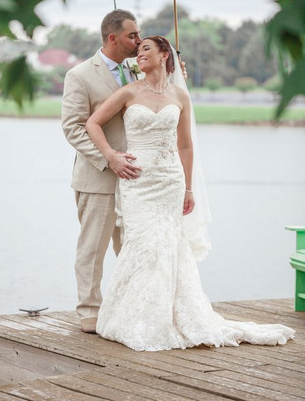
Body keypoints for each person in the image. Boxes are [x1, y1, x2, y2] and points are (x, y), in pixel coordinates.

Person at [85, 36, 295, 351]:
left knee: (168, 245)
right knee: (143, 243)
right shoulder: (128, 92)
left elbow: (185, 144)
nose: (139, 54)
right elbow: (93, 123)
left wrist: (187, 187)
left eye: (146, 49)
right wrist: (112, 156)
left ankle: (165, 316)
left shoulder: (180, 96)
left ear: (164, 54)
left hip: (169, 181)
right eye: (137, 50)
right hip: (137, 180)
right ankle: (132, 315)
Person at [62, 9, 142, 334]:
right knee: (93, 249)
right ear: (113, 38)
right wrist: (109, 159)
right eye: (133, 35)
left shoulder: (136, 72)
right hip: (97, 178)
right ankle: (89, 312)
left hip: (135, 181)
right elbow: (72, 128)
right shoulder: (80, 75)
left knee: (132, 247)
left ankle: (127, 307)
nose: (139, 40)